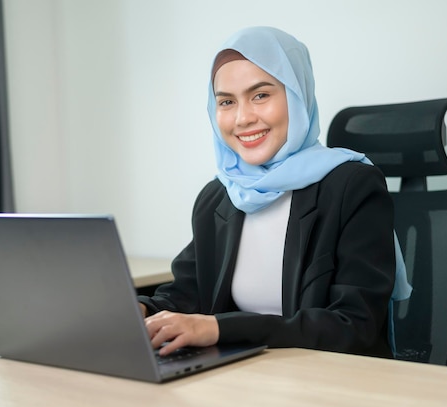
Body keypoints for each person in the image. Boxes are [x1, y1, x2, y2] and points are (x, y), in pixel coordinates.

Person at [138, 26, 411, 358]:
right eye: (226, 101)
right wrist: (144, 311)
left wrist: (220, 329)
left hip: (331, 384)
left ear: (297, 96)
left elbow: (353, 325)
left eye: (260, 95)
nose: (242, 118)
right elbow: (187, 293)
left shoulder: (353, 186)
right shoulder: (220, 195)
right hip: (247, 379)